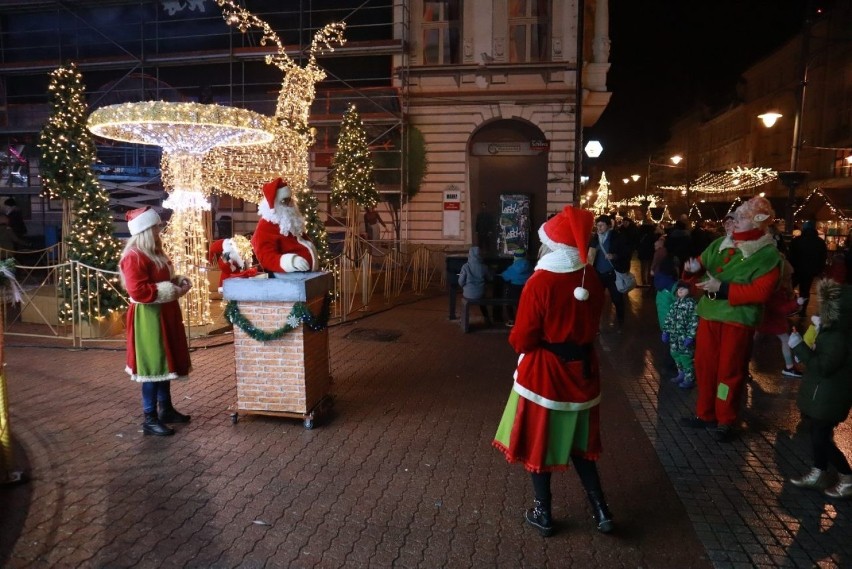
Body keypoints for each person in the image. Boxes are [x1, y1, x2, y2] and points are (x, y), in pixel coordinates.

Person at [493, 205, 613, 538]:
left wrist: (516, 341)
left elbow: (523, 336)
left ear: (550, 244)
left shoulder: (541, 281)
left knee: (540, 443)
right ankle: (602, 510)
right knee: (581, 447)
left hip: (545, 374)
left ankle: (543, 513)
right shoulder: (593, 280)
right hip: (584, 371)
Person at [681, 196, 781, 442]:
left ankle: (726, 419)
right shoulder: (719, 245)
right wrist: (692, 269)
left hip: (737, 319)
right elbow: (700, 268)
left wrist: (723, 288)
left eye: (742, 216)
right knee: (704, 367)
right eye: (736, 215)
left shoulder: (767, 254)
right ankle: (705, 414)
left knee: (730, 371)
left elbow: (761, 293)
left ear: (759, 222)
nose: (735, 220)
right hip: (709, 315)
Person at [119, 207, 192, 437]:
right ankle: (149, 418)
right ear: (145, 230)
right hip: (148, 318)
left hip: (163, 313)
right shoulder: (134, 256)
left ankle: (166, 409)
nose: (160, 231)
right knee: (153, 366)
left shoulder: (154, 252)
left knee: (165, 364)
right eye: (156, 227)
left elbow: (163, 279)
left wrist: (177, 281)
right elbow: (138, 291)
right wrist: (171, 289)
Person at [787, 278, 852, 499]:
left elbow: (823, 367)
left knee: (821, 437)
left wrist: (800, 347)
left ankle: (846, 477)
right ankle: (819, 472)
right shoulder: (833, 332)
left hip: (830, 395)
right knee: (818, 434)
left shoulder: (837, 337)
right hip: (824, 394)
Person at [251, 178, 318, 274]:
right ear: (274, 204)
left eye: (290, 199)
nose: (290, 204)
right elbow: (266, 257)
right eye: (285, 201)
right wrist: (291, 261)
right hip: (287, 279)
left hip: (304, 276)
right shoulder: (265, 226)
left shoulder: (290, 220)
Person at [754, 255, 801, 378]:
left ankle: (741, 365)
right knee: (784, 339)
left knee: (754, 339)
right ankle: (789, 366)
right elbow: (780, 308)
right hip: (772, 319)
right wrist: (796, 303)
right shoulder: (779, 288)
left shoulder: (769, 280)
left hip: (764, 317)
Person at [588, 214, 631, 330]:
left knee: (617, 299)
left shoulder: (617, 237)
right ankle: (595, 325)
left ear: (608, 226)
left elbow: (626, 252)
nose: (599, 228)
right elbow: (589, 255)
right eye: (597, 226)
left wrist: (615, 256)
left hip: (613, 274)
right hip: (598, 274)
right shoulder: (595, 238)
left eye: (601, 225)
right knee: (596, 300)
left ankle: (620, 322)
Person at [661, 281, 699, 389]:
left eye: (683, 288)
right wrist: (666, 331)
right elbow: (669, 318)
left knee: (686, 357)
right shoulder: (675, 304)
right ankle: (681, 373)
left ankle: (689, 378)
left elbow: (694, 321)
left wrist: (690, 336)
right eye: (679, 289)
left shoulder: (692, 304)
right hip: (674, 336)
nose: (680, 290)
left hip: (684, 336)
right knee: (675, 354)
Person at [788, 220, 827, 316]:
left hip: (796, 269)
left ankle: (789, 308)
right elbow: (823, 257)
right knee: (805, 291)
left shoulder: (796, 241)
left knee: (789, 288)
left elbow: (790, 256)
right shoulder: (820, 242)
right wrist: (819, 270)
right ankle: (802, 311)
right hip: (810, 271)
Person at [457, 246, 493, 327]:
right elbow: (490, 278)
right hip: (480, 293)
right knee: (483, 303)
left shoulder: (465, 266)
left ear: (470, 254)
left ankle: (462, 320)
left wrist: (464, 287)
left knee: (464, 302)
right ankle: (487, 319)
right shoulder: (484, 266)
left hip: (468, 294)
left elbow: (461, 282)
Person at [498, 247, 533, 326]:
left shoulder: (512, 267)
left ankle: (511, 320)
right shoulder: (529, 266)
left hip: (514, 290)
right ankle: (523, 320)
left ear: (515, 256)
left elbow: (505, 276)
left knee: (508, 302)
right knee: (522, 305)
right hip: (526, 290)